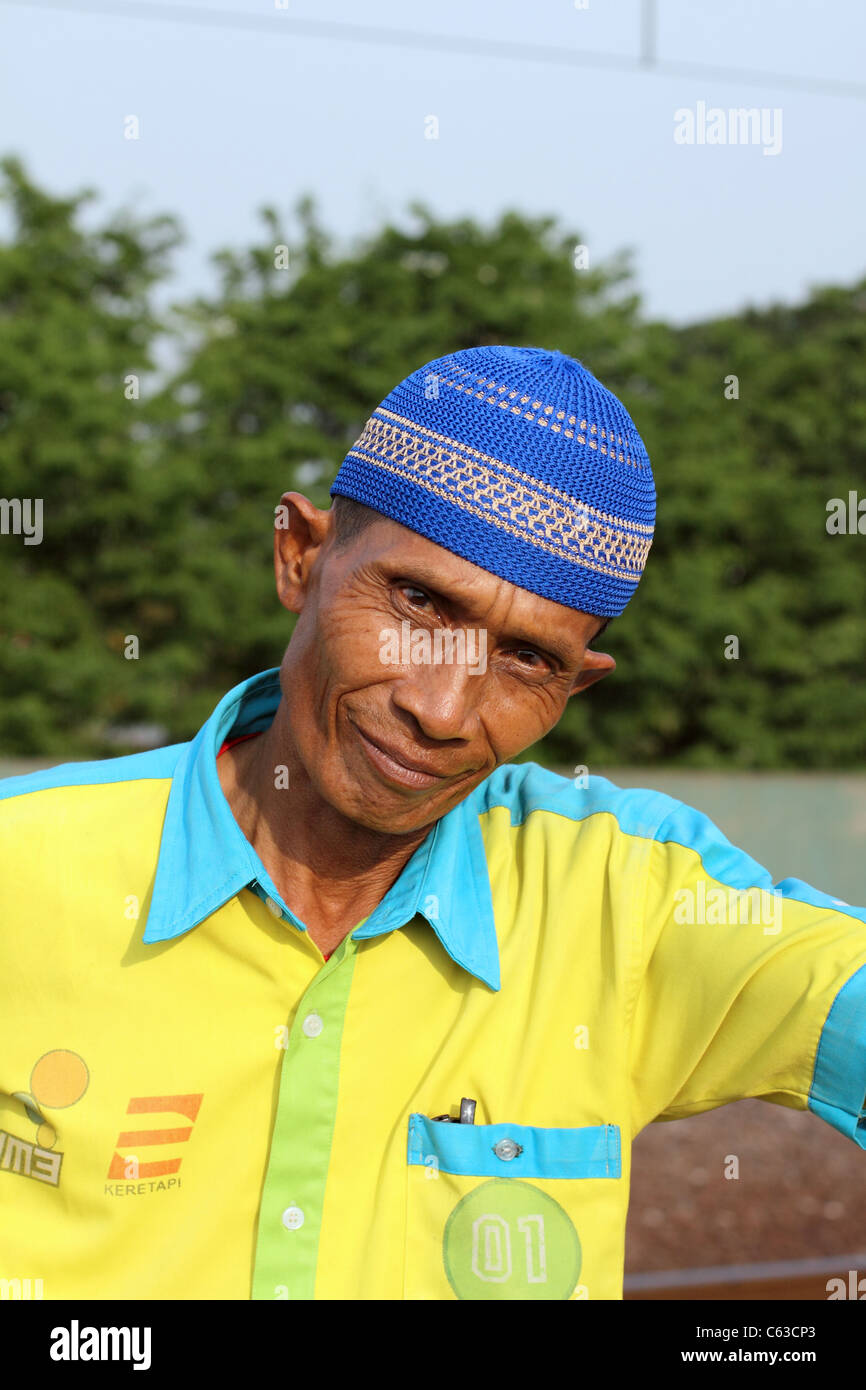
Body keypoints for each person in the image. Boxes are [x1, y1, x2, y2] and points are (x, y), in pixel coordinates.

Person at [1, 345, 864, 1302]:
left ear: (576, 686)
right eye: (416, 602)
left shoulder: (629, 903)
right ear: (301, 556)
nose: (447, 708)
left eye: (528, 660)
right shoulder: (22, 872)